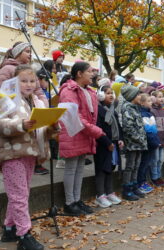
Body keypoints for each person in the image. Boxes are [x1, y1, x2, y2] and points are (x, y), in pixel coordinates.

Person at [0, 65, 58, 250]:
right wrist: (22, 124)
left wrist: (52, 127)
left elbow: (41, 129)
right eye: (23, 81)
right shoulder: (8, 99)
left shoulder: (38, 102)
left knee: (20, 194)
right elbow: (0, 124)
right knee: (19, 196)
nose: (29, 84)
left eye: (32, 81)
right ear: (14, 82)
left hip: (31, 153)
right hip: (11, 153)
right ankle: (24, 235)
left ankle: (9, 228)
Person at [59, 61, 103, 215]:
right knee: (71, 168)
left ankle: (77, 200)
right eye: (90, 71)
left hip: (85, 133)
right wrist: (95, 131)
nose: (93, 74)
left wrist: (91, 130)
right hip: (73, 133)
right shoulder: (68, 90)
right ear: (79, 73)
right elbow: (74, 117)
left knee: (79, 168)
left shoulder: (89, 91)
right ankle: (69, 202)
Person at [93, 86, 123, 208]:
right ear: (100, 95)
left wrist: (120, 139)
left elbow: (118, 127)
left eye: (112, 93)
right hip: (103, 145)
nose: (111, 95)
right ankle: (100, 195)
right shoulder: (98, 110)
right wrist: (107, 142)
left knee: (110, 168)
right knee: (101, 169)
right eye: (107, 93)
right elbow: (98, 129)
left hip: (113, 144)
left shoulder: (113, 110)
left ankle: (109, 192)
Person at [121, 85, 148, 200]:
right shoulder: (127, 108)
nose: (140, 96)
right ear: (131, 96)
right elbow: (128, 127)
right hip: (132, 144)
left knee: (136, 166)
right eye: (137, 94)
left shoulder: (135, 107)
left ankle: (134, 186)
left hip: (139, 144)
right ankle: (127, 189)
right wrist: (139, 138)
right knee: (130, 166)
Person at [137, 93, 160, 194]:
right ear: (142, 103)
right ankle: (140, 182)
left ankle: (144, 181)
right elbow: (148, 131)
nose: (151, 102)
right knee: (144, 163)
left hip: (152, 143)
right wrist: (154, 142)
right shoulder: (143, 114)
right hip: (148, 143)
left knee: (147, 163)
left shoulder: (150, 114)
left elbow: (154, 130)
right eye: (148, 101)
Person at [150, 90, 164, 186]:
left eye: (162, 96)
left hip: (163, 139)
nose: (162, 98)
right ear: (153, 99)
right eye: (159, 96)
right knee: (155, 159)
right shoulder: (152, 111)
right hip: (156, 140)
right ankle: (154, 177)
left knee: (160, 160)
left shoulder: (163, 111)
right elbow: (152, 128)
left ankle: (159, 176)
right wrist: (155, 140)